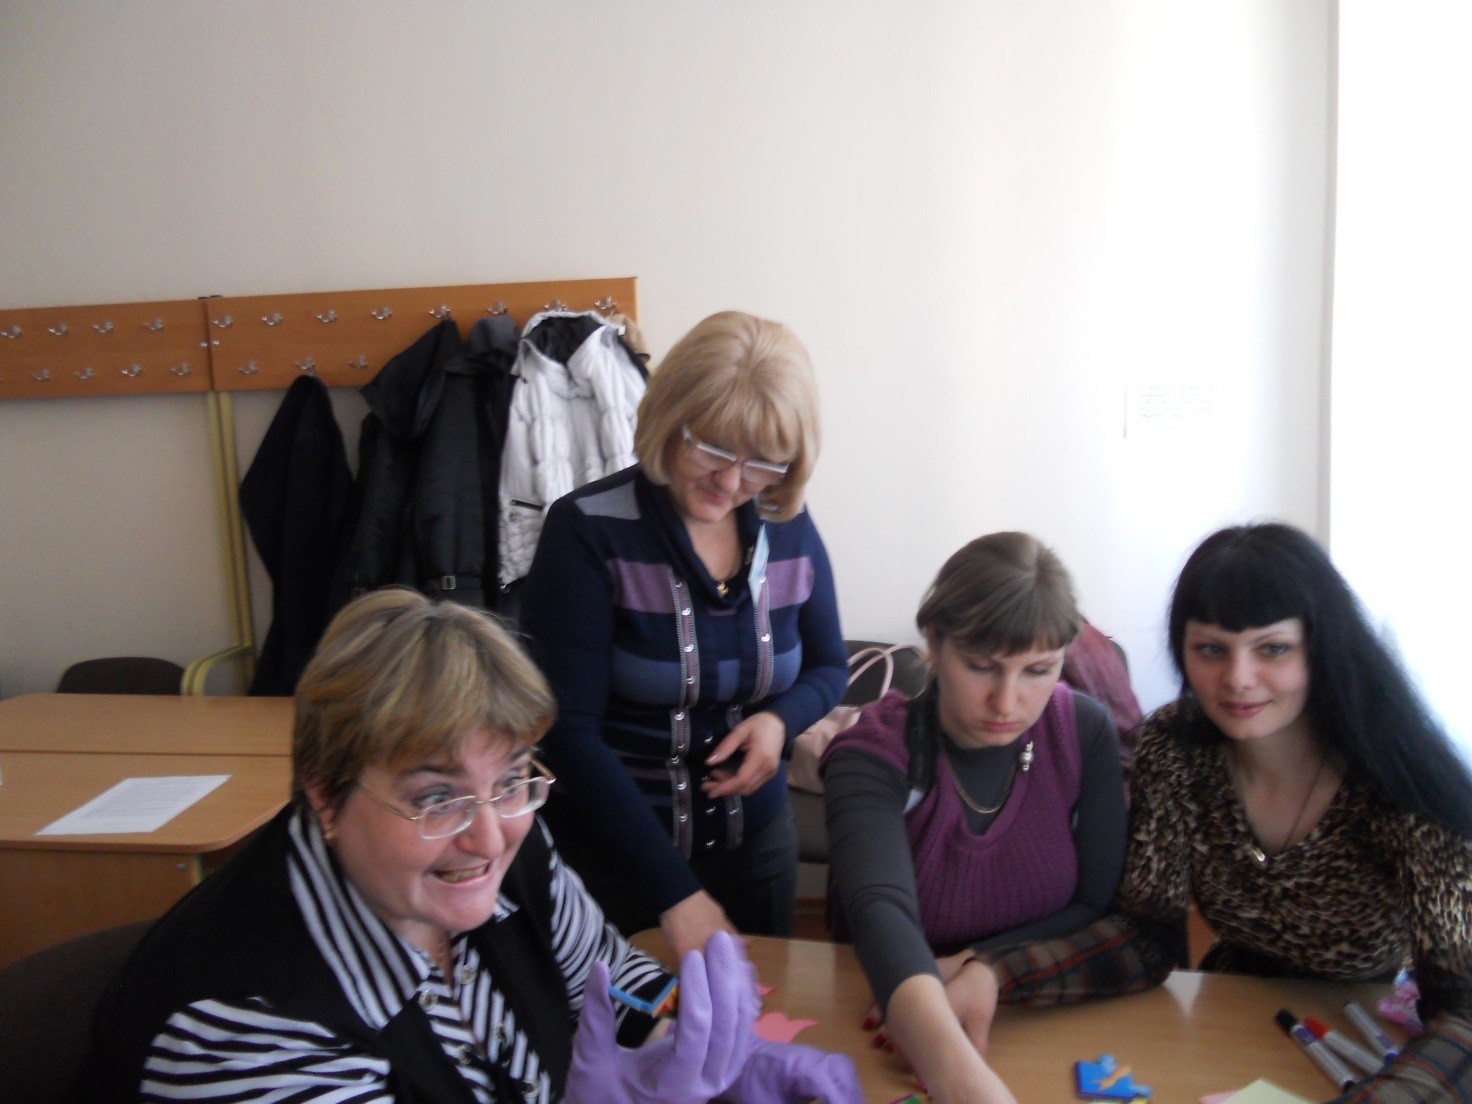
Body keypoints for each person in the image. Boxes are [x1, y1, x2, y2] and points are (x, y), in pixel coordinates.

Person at [85, 589, 859, 1103]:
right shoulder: (245, 1025)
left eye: (513, 778)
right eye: (435, 796)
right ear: (324, 794)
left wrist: (709, 1046)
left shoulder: (511, 841)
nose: (490, 837)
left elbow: (613, 982)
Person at [963, 522, 1472, 1104]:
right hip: (1226, 1012)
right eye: (1210, 649)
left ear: (1321, 647)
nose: (1238, 679)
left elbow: (1464, 1007)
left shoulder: (1401, 779)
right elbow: (1145, 937)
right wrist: (995, 973)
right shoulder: (1173, 749)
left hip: (1365, 1030)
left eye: (1272, 649)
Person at [520, 311, 847, 958]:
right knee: (625, 1020)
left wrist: (778, 723)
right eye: (713, 450)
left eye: (761, 464)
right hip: (616, 861)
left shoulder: (787, 526)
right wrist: (676, 893)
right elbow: (567, 733)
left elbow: (829, 667)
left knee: (757, 1014)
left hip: (757, 849)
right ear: (670, 418)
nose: (731, 482)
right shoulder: (588, 530)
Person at [821, 532, 1127, 1104]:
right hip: (883, 1013)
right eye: (982, 667)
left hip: (1037, 1009)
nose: (1007, 703)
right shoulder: (872, 752)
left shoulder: (1085, 731)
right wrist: (957, 1077)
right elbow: (880, 910)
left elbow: (1095, 904)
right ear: (936, 643)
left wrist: (984, 964)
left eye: (1039, 670)